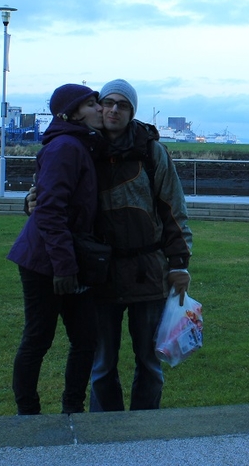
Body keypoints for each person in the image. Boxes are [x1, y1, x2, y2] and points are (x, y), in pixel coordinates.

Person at [89, 78, 192, 411]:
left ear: (132, 112)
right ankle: (106, 432)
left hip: (147, 273)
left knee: (149, 363)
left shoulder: (152, 152)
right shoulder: (83, 149)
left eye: (122, 105)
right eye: (108, 103)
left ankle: (145, 432)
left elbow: (174, 210)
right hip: (99, 273)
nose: (114, 110)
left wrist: (178, 264)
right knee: (102, 366)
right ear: (99, 105)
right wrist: (32, 200)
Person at [7, 83, 105, 415]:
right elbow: (49, 210)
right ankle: (29, 413)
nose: (100, 109)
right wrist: (64, 268)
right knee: (38, 338)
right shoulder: (66, 146)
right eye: (92, 104)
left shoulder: (80, 144)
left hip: (66, 256)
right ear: (73, 112)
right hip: (44, 260)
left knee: (85, 339)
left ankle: (71, 410)